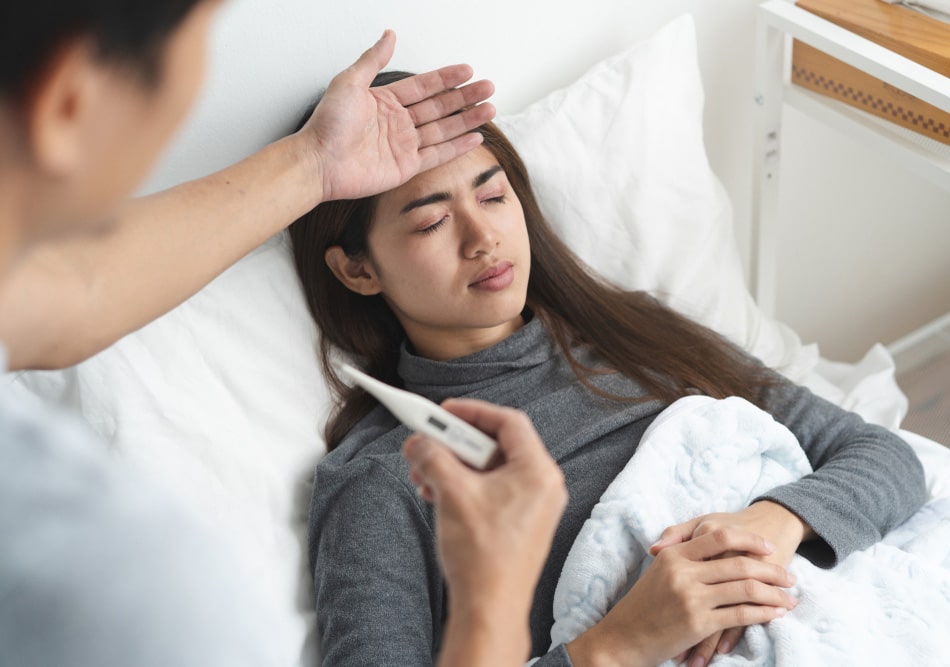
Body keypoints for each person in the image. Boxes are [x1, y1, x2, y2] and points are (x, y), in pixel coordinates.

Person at [289, 71, 928, 667]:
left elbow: (881, 456)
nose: (482, 236)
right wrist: (621, 642)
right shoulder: (385, 481)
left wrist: (764, 528)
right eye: (431, 221)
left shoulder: (632, 333)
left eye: (492, 194)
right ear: (357, 269)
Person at [0, 2, 564, 664]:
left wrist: (315, 164)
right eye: (203, 39)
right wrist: (501, 603)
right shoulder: (131, 588)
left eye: (493, 196)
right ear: (69, 100)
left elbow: (73, 291)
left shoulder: (635, 346)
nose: (481, 235)